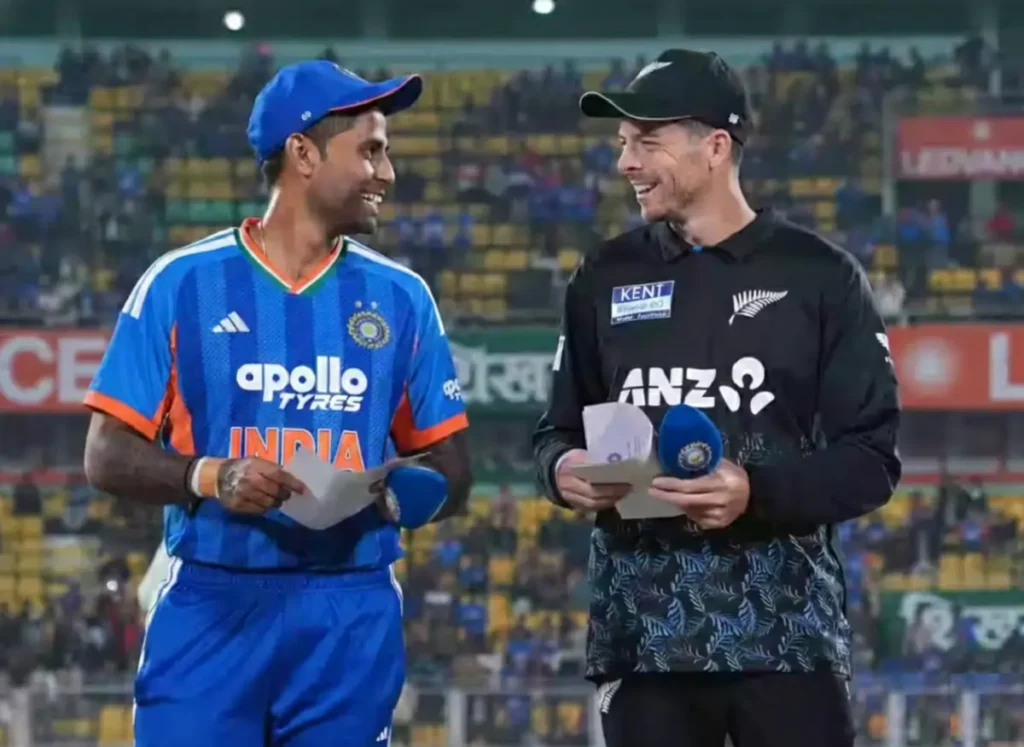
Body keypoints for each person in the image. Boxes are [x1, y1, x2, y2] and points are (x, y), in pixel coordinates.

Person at [83, 61, 472, 747]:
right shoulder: (180, 283)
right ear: (303, 152)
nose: (388, 173)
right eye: (371, 150)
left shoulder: (403, 298)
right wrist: (213, 475)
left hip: (349, 608)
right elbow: (105, 454)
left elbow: (453, 465)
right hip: (212, 599)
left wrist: (410, 491)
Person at [532, 49, 901, 747]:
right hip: (643, 641)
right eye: (622, 143)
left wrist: (752, 490)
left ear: (716, 146)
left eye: (647, 141)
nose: (626, 163)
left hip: (787, 639)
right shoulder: (603, 276)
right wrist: (561, 470)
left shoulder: (820, 276)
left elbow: (872, 459)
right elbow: (553, 431)